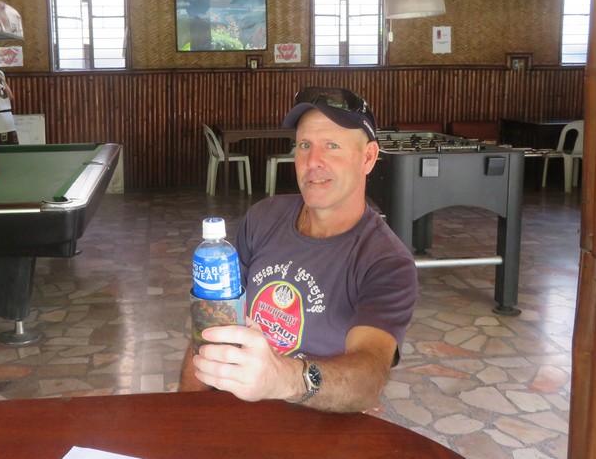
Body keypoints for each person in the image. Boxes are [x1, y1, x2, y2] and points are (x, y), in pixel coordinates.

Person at [179, 87, 418, 413]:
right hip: (235, 416)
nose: (312, 161)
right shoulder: (264, 217)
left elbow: (369, 377)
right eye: (304, 145)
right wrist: (186, 411)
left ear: (368, 158)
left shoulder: (386, 262)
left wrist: (283, 378)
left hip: (316, 426)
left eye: (332, 146)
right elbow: (213, 324)